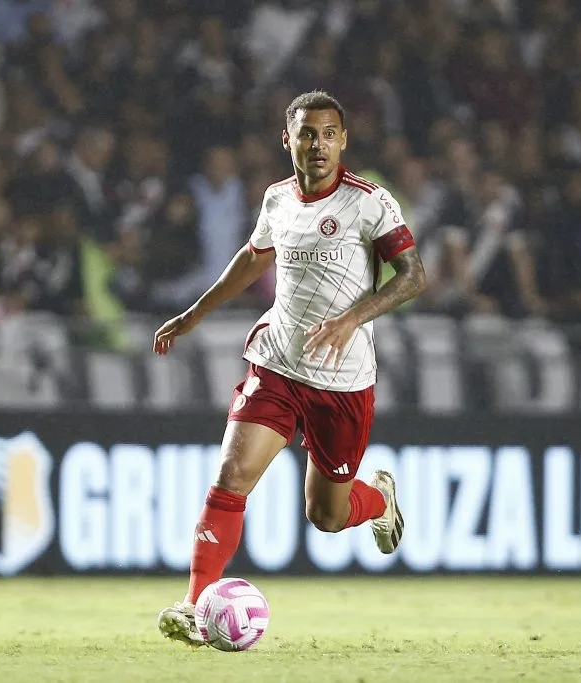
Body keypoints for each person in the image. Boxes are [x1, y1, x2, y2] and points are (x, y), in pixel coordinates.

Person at [152, 90, 427, 645]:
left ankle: (376, 500)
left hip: (344, 381)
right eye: (307, 133)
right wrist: (194, 313)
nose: (318, 144)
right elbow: (254, 257)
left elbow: (413, 276)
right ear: (289, 140)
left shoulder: (370, 202)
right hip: (277, 363)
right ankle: (193, 603)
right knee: (231, 477)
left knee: (326, 516)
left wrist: (351, 319)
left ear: (343, 140)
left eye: (329, 134)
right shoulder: (277, 199)